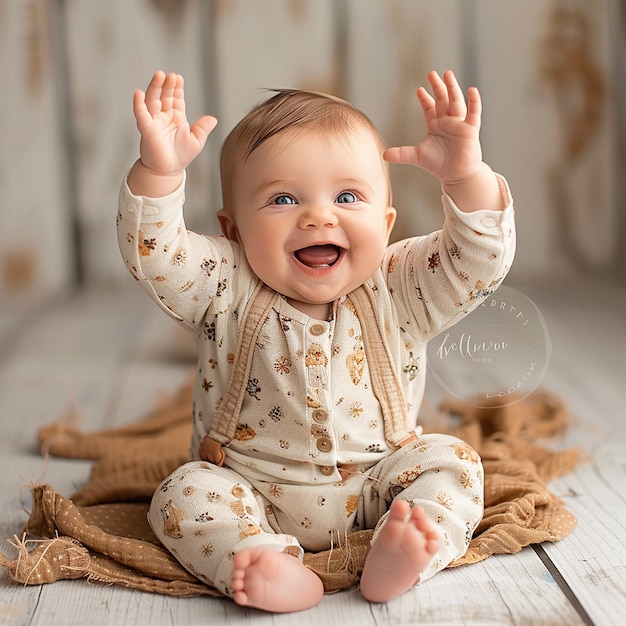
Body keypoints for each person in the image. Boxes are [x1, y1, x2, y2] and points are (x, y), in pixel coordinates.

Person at [117, 69, 515, 612]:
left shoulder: (400, 283)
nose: (318, 215)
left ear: (386, 221)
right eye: (282, 200)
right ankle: (259, 559)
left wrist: (466, 178)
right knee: (181, 495)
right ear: (233, 231)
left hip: (378, 482)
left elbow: (478, 260)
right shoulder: (223, 280)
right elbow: (155, 253)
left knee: (456, 463)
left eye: (349, 195)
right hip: (249, 487)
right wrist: (158, 173)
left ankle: (406, 551)